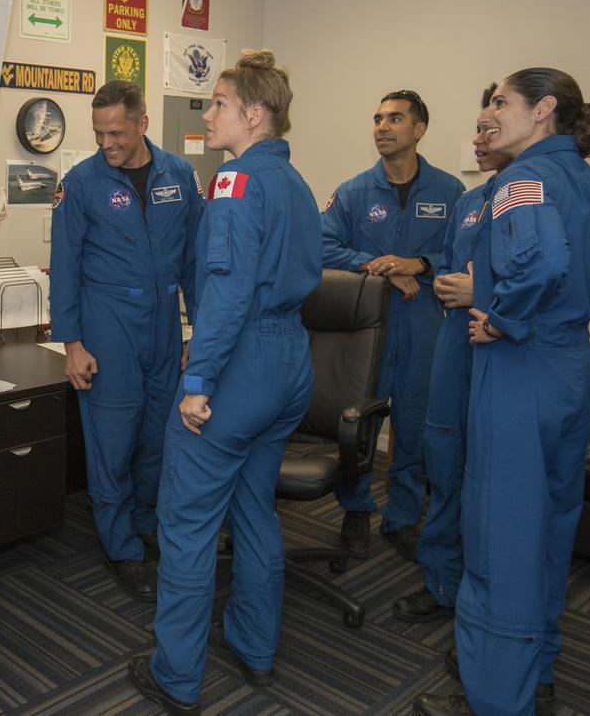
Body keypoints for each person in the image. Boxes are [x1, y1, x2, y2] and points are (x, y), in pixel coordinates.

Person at [414, 69, 590, 716]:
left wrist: (505, 316)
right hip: (571, 370)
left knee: (499, 538)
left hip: (519, 369)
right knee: (550, 530)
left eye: (501, 101)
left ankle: (494, 698)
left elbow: (540, 262)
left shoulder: (519, 180)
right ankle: (536, 671)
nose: (491, 112)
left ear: (544, 110)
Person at [128, 50, 321, 713]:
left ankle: (175, 675)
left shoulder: (237, 180)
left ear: (254, 114)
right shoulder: (294, 181)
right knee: (253, 508)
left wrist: (199, 378)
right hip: (289, 362)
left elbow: (229, 291)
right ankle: (254, 645)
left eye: (218, 103)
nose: (207, 113)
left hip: (239, 363)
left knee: (185, 520)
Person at [49, 80, 204, 602]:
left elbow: (195, 264)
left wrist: (200, 333)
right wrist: (72, 344)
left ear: (142, 124)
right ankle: (120, 546)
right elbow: (65, 268)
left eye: (116, 132)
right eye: (98, 133)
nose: (107, 143)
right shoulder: (81, 183)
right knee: (112, 442)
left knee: (159, 435)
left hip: (163, 322)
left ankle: (148, 523)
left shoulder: (179, 176)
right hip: (107, 321)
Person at [322, 90, 464, 561]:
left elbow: (467, 257)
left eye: (395, 118)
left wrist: (420, 263)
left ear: (419, 129)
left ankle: (402, 516)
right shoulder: (353, 192)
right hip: (369, 321)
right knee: (361, 421)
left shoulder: (450, 192)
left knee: (416, 422)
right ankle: (356, 509)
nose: (382, 126)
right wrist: (381, 266)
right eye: (378, 118)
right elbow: (321, 246)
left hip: (425, 318)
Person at [394, 88, 507, 625]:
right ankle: (442, 581)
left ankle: (484, 602)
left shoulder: (536, 197)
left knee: (489, 481)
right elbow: (446, 267)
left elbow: (555, 279)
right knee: (443, 465)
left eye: (490, 129)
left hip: (505, 353)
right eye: (478, 130)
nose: (478, 140)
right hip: (454, 347)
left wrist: (479, 289)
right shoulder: (468, 203)